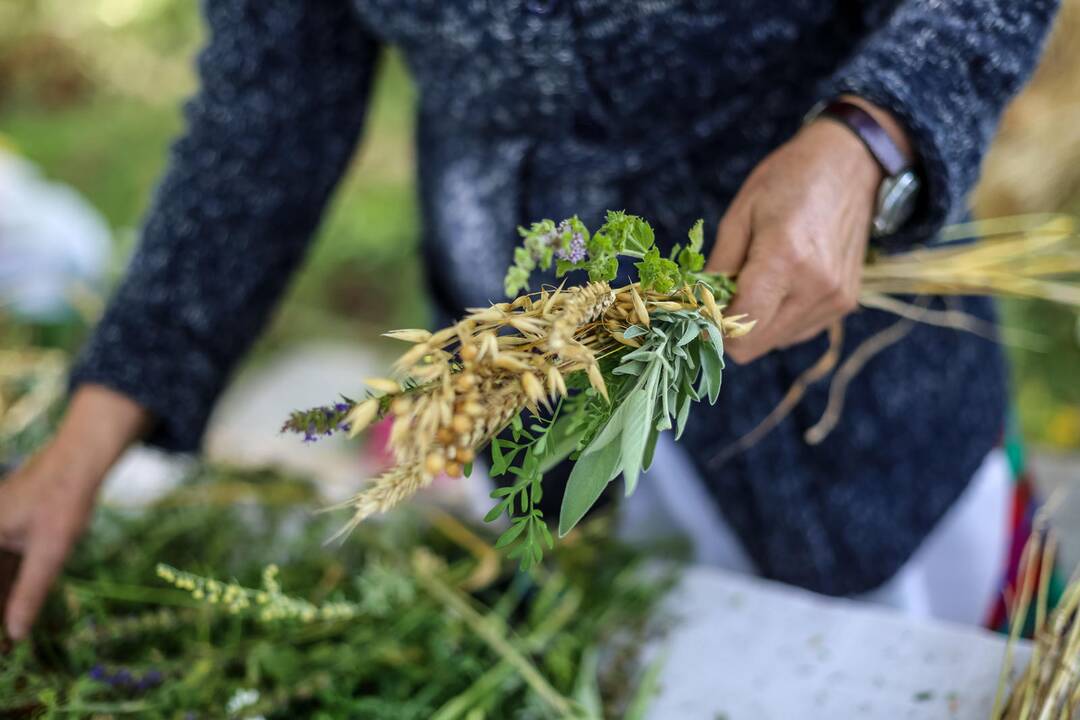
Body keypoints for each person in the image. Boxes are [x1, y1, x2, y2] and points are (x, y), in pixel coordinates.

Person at [0, 0, 1059, 641]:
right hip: (528, 362)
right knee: (597, 643)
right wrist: (90, 435)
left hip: (845, 367)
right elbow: (266, 109)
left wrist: (869, 139)